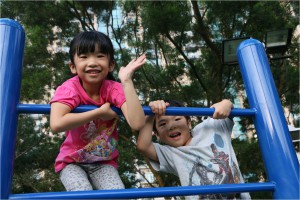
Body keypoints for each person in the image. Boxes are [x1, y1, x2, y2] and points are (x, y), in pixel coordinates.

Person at [50, 30, 146, 191]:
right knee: (83, 193)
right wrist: (99, 112)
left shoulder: (114, 89)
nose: (93, 62)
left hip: (103, 162)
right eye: (84, 57)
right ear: (73, 67)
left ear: (110, 65)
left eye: (100, 56)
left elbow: (137, 123)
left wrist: (126, 81)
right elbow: (56, 123)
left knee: (117, 195)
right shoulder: (69, 88)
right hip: (71, 162)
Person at [137, 100, 251, 199]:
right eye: (162, 124)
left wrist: (226, 103)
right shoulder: (171, 154)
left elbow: (226, 109)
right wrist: (151, 113)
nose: (171, 126)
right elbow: (143, 146)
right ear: (157, 135)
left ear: (189, 123)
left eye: (177, 119)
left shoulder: (210, 127)